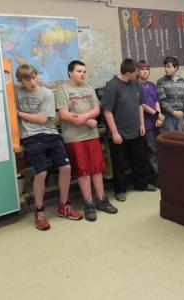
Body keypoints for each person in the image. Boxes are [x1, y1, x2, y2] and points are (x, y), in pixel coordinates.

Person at [15, 64, 83, 231]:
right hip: (31, 137)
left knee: (66, 167)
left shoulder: (46, 93)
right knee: (41, 173)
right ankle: (39, 211)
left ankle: (64, 205)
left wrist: (19, 113)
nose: (32, 81)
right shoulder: (15, 90)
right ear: (20, 81)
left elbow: (42, 119)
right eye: (27, 79)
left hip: (50, 134)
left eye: (33, 77)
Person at [56, 60, 117, 222]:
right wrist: (88, 121)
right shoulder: (62, 89)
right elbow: (63, 114)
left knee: (97, 168)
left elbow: (97, 109)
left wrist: (84, 117)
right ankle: (88, 203)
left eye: (84, 71)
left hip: (92, 135)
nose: (82, 74)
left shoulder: (89, 88)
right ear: (70, 72)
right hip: (74, 137)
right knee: (83, 171)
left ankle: (101, 199)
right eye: (79, 71)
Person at [101, 58, 157, 202]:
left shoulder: (135, 84)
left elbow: (140, 105)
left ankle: (142, 184)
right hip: (119, 132)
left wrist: (142, 124)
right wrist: (114, 133)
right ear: (128, 73)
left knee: (139, 159)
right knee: (119, 163)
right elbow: (107, 111)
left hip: (136, 129)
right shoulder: (112, 87)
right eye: (136, 72)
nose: (138, 74)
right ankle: (120, 190)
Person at [137, 60, 164, 186]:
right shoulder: (136, 86)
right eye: (142, 69)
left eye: (147, 69)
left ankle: (160, 175)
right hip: (145, 123)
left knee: (158, 150)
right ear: (137, 71)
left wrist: (159, 117)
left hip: (156, 122)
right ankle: (157, 177)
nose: (145, 71)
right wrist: (157, 114)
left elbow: (156, 101)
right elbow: (142, 105)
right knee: (151, 150)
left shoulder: (152, 85)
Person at [157, 56, 184, 133]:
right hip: (168, 118)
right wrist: (174, 112)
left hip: (181, 117)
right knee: (169, 142)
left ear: (176, 68)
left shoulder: (183, 81)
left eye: (169, 67)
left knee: (180, 142)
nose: (166, 69)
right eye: (165, 67)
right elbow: (162, 101)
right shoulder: (161, 81)